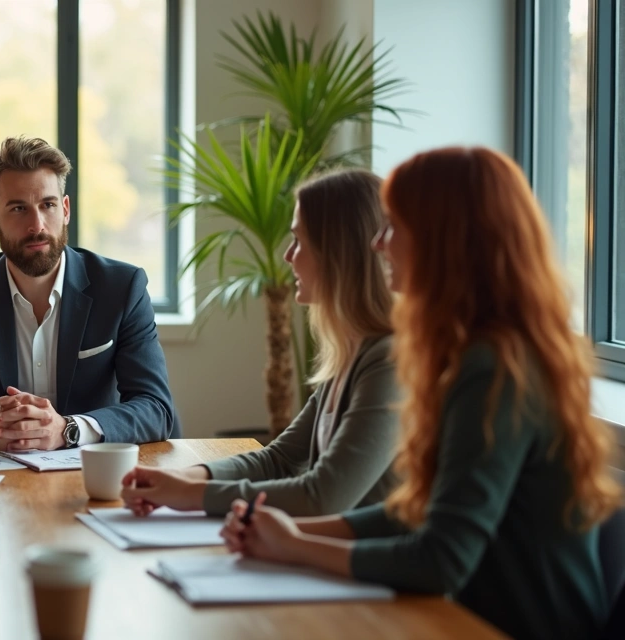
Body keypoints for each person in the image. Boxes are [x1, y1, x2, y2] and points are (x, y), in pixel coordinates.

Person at [221, 147, 621, 640]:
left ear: (443, 239)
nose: (378, 244)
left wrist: (296, 546)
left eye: (393, 226)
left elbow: (441, 558)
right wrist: (288, 531)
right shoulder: (478, 351)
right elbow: (420, 508)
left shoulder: (492, 366)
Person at [121, 170, 400, 517]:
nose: (288, 255)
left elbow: (322, 495)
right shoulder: (350, 352)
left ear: (338, 253)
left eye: (299, 240)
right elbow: (278, 459)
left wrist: (193, 494)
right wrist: (181, 477)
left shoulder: (390, 360)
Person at [0, 136, 178, 451]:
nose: (37, 225)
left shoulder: (122, 288)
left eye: (48, 205)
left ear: (66, 209)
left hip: (93, 472)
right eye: (19, 208)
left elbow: (156, 409)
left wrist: (69, 429)